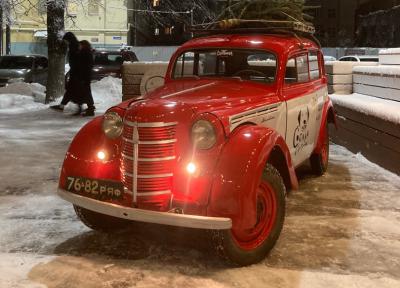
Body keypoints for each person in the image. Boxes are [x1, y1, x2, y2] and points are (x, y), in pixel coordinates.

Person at [50, 32, 81, 114]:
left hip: (76, 72)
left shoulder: (74, 46)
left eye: (66, 40)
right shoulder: (74, 45)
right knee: (71, 90)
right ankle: (63, 106)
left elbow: (75, 60)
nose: (66, 42)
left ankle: (78, 106)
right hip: (75, 71)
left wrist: (73, 70)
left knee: (72, 90)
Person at [78, 40, 96, 116]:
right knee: (86, 92)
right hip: (86, 76)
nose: (79, 46)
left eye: (80, 45)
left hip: (84, 76)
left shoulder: (84, 52)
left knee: (86, 93)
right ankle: (90, 107)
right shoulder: (88, 52)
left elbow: (83, 66)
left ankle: (90, 109)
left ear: (83, 45)